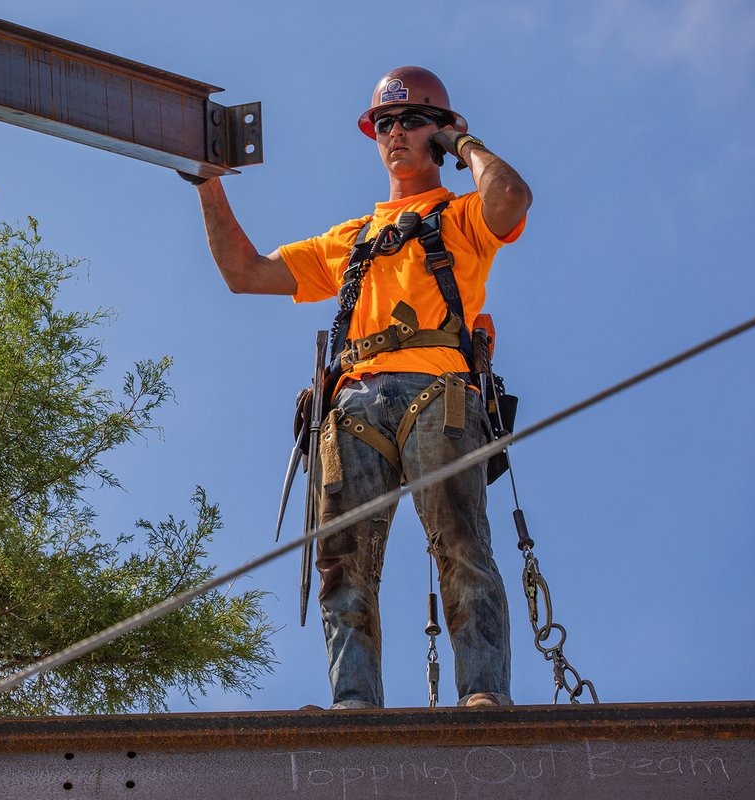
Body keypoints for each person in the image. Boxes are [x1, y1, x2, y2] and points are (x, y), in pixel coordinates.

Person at [184, 66, 531, 709]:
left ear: (440, 129)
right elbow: (243, 271)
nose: (395, 134)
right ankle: (353, 703)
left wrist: (465, 144)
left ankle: (483, 695)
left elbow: (510, 198)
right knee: (342, 565)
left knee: (462, 548)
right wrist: (206, 182)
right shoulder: (351, 241)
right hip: (353, 409)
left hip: (440, 397)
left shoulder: (461, 218)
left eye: (411, 122)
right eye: (385, 124)